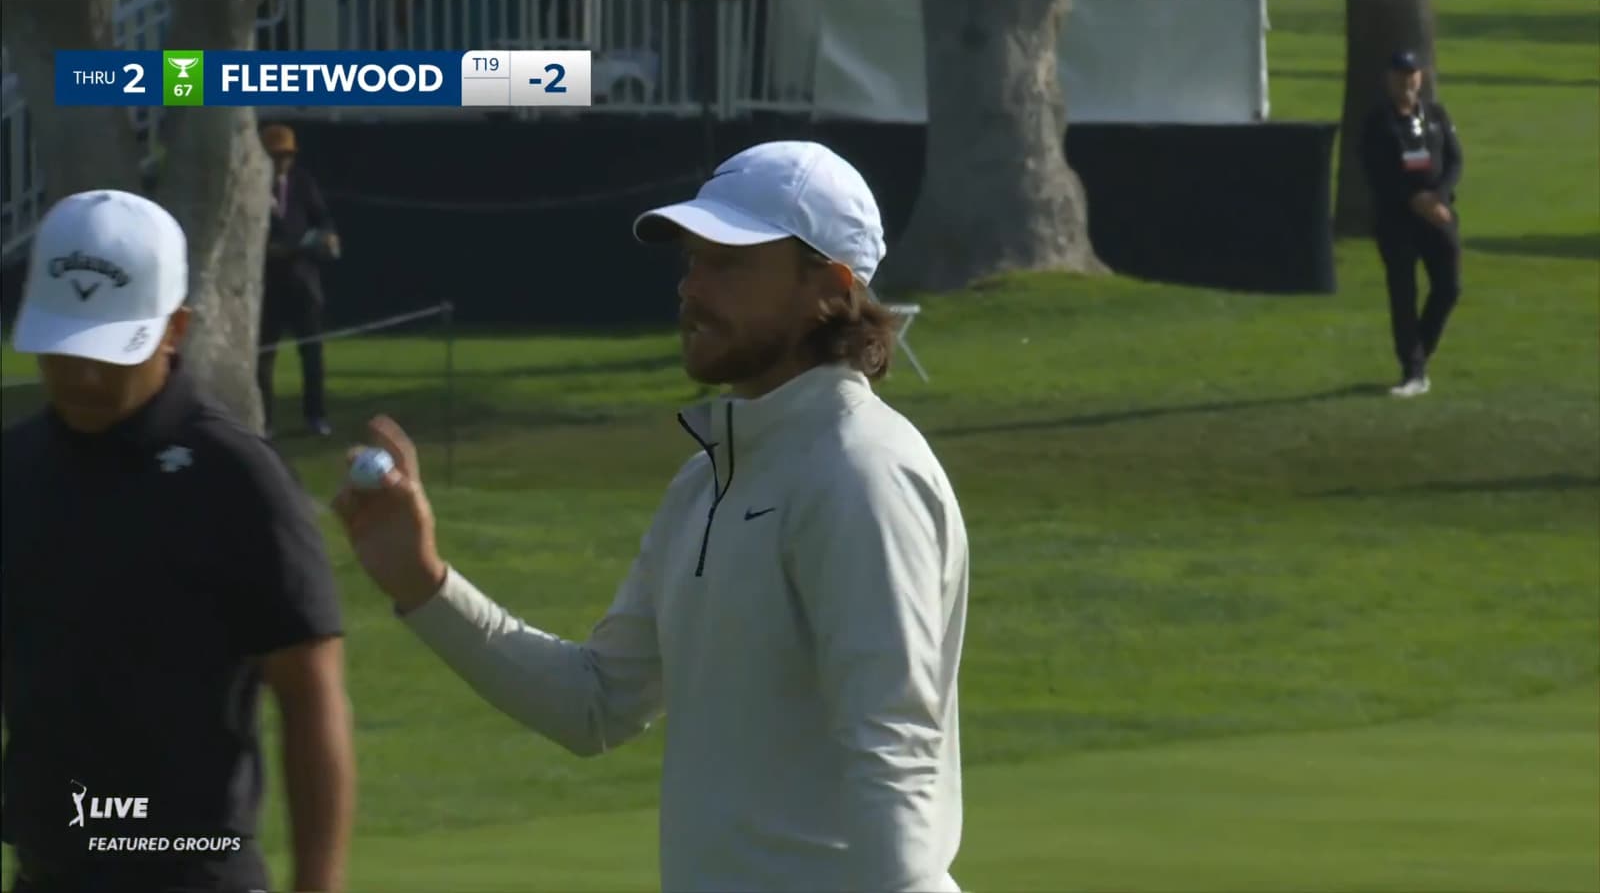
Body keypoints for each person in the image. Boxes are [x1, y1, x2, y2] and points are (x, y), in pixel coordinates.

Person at [333, 141, 970, 892]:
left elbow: (893, 757)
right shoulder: (707, 481)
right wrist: (425, 584)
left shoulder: (862, 472)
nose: (692, 288)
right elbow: (595, 704)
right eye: (692, 260)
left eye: (728, 263)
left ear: (828, 288)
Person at [2, 190, 357, 893]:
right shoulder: (15, 468)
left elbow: (312, 694)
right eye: (64, 348)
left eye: (107, 352)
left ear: (175, 329)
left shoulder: (237, 479)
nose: (79, 374)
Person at [1360, 48, 1465, 398]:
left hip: (1437, 215)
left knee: (1449, 287)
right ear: (1389, 79)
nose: (1408, 82)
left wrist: (1440, 194)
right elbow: (1377, 171)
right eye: (1401, 75)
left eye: (1413, 75)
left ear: (1421, 77)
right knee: (1403, 292)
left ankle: (1419, 349)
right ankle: (1413, 370)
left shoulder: (1435, 113)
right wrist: (1414, 198)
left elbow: (1453, 159)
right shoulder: (1379, 122)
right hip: (1397, 219)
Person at [258, 123, 340, 437]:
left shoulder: (302, 183)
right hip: (267, 286)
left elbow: (323, 219)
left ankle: (316, 416)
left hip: (303, 283)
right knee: (263, 357)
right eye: (276, 156)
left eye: (287, 156)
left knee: (312, 353)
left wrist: (327, 238)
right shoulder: (251, 187)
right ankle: (264, 420)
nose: (282, 162)